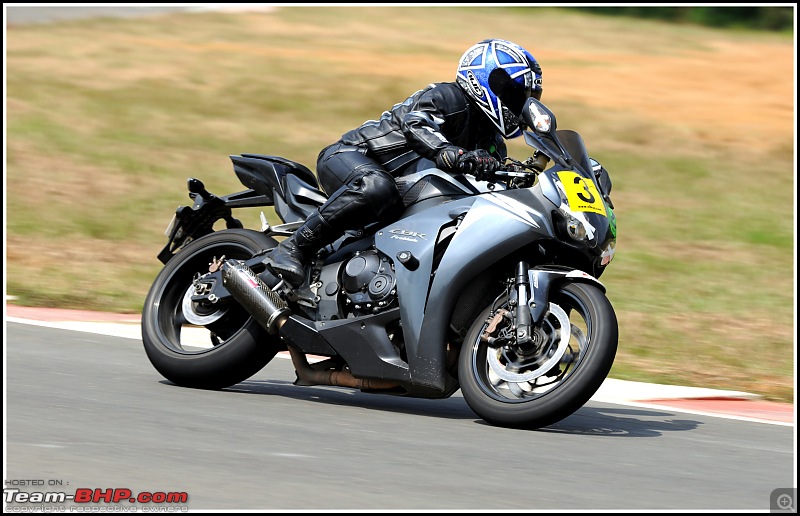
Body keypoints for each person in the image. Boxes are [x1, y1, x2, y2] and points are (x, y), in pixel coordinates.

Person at [264, 38, 544, 287]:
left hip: (402, 193)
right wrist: (446, 151)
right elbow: (417, 123)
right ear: (485, 80)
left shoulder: (491, 140)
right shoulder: (449, 96)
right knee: (376, 186)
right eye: (516, 94)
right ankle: (292, 248)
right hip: (352, 157)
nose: (520, 104)